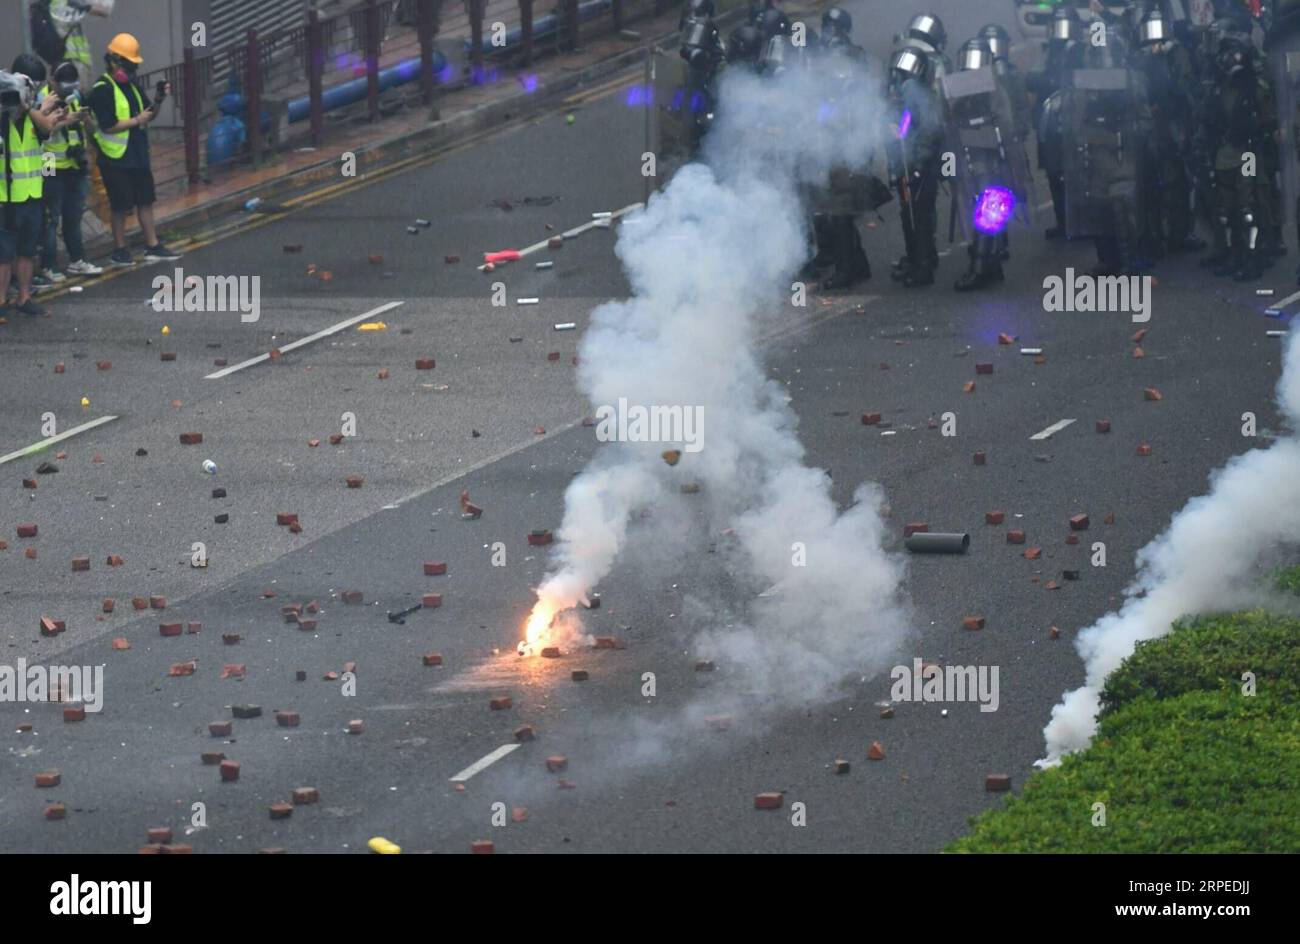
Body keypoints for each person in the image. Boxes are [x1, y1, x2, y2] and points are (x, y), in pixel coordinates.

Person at [88, 33, 181, 267]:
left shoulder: (132, 85)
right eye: (127, 66)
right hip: (115, 157)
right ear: (113, 62)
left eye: (133, 66)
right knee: (120, 206)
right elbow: (108, 124)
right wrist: (137, 120)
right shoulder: (102, 89)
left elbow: (147, 115)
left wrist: (158, 100)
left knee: (145, 200)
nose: (131, 71)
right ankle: (120, 250)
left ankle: (153, 245)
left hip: (138, 154)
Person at [1, 55, 65, 316]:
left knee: (27, 250)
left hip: (32, 193)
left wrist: (29, 107)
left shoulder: (33, 114)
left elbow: (48, 128)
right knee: (4, 254)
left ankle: (24, 298)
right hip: (6, 196)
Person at [37, 60, 102, 284]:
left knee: (74, 215)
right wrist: (66, 121)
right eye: (64, 87)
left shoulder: (75, 96)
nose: (68, 91)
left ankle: (77, 260)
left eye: (72, 87)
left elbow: (90, 128)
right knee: (51, 217)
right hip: (49, 161)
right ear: (52, 81)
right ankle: (48, 265)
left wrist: (85, 119)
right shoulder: (42, 99)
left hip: (75, 163)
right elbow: (40, 129)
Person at [887, 43, 944, 287]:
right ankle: (917, 259)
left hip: (920, 165)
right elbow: (905, 127)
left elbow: (930, 130)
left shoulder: (919, 95)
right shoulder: (910, 95)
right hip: (909, 163)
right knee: (909, 214)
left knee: (919, 216)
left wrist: (918, 164)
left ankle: (923, 267)